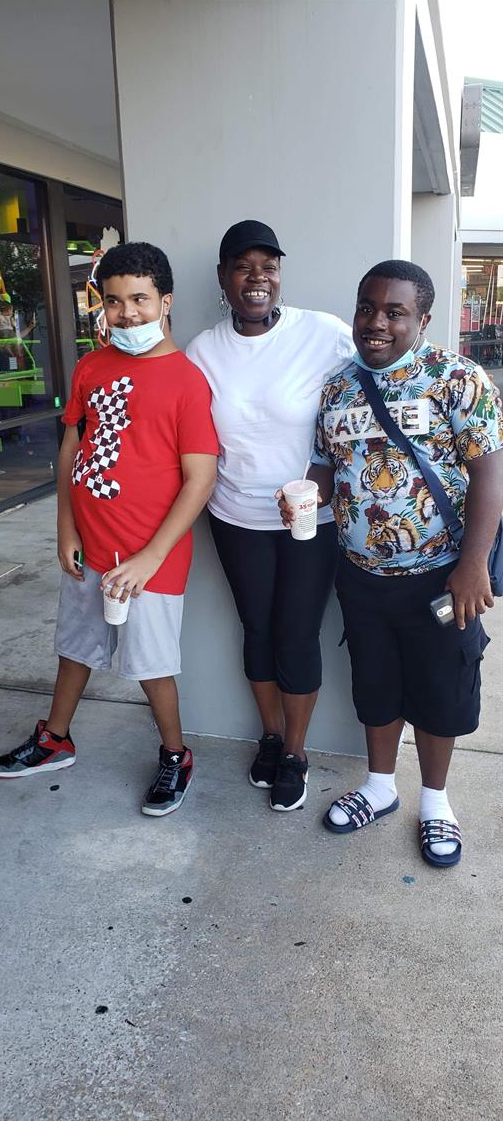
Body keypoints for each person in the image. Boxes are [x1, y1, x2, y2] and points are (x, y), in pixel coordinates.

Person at [279, 259, 503, 866]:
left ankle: (436, 803)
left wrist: (473, 563)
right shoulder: (337, 386)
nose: (376, 323)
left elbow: (489, 473)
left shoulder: (459, 380)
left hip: (441, 576)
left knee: (441, 688)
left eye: (394, 312)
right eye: (367, 308)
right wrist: (305, 495)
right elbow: (325, 466)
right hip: (360, 573)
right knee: (375, 685)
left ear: (423, 319)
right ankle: (379, 788)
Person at [0, 242, 219, 817]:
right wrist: (65, 525)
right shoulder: (92, 366)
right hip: (90, 546)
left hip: (152, 558)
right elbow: (72, 446)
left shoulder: (186, 381)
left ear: (165, 301)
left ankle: (175, 754)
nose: (127, 314)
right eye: (113, 303)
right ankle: (56, 738)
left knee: (150, 662)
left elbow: (201, 479)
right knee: (76, 645)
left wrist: (148, 559)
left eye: (140, 299)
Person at [186, 220, 354, 812]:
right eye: (243, 266)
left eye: (269, 265)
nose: (258, 277)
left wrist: (326, 479)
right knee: (256, 630)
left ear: (280, 274)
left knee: (297, 633)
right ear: (223, 278)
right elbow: (189, 435)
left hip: (311, 520)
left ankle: (298, 753)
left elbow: (364, 399)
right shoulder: (204, 351)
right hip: (234, 515)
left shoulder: (323, 334)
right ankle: (271, 735)